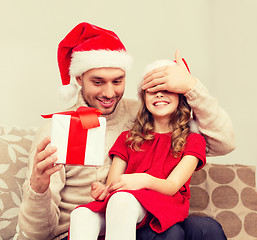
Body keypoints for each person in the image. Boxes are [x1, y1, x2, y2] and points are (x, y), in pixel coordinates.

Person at [18, 22, 234, 240]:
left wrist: (191, 87)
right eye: (98, 81)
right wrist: (38, 189)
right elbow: (33, 234)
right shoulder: (57, 129)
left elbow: (223, 142)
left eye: (117, 81)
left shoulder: (142, 115)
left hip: (143, 215)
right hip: (87, 225)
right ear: (78, 79)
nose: (109, 92)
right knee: (167, 231)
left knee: (206, 228)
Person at [69, 58, 207, 240]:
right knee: (81, 215)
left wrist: (142, 180)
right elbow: (113, 185)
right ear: (144, 97)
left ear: (180, 97)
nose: (159, 95)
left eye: (167, 90)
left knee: (122, 200)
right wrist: (104, 190)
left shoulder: (193, 140)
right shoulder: (128, 138)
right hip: (124, 203)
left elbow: (172, 186)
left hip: (163, 203)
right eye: (152, 91)